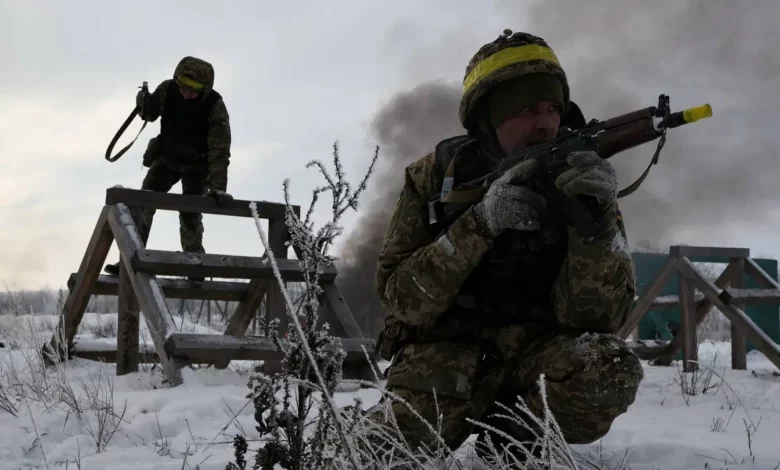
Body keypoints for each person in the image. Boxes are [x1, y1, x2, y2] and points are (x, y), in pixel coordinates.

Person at [368, 29, 644, 461]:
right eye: (526, 109)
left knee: (609, 367)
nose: (545, 123)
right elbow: (401, 299)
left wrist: (596, 224)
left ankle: (510, 444)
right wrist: (480, 224)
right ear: (487, 118)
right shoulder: (435, 178)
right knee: (372, 458)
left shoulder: (581, 178)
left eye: (553, 109)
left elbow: (600, 320)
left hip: (535, 361)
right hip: (442, 366)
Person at [104, 56, 233, 282]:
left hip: (197, 166)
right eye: (182, 86)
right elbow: (150, 113)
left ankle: (195, 265)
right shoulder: (168, 90)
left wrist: (218, 187)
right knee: (144, 202)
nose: (185, 93)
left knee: (191, 213)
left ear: (204, 89)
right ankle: (131, 257)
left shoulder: (215, 106)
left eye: (192, 90)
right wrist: (144, 103)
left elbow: (219, 151)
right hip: (167, 159)